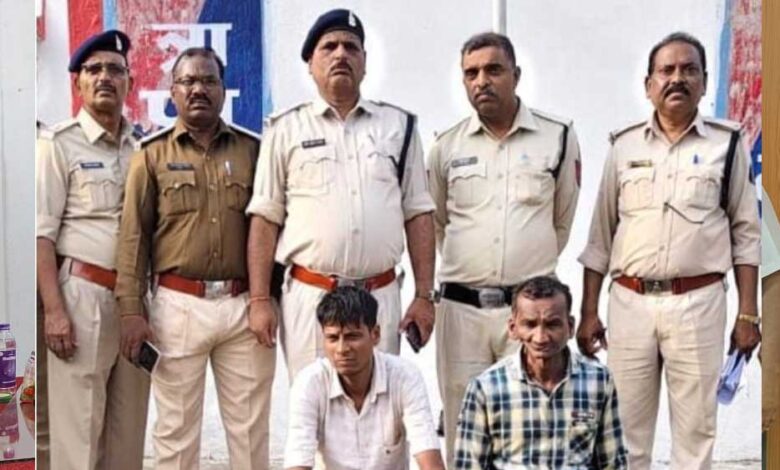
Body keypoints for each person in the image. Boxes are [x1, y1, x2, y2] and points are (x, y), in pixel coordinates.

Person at [577, 32, 761, 469]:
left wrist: (748, 314)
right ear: (649, 84)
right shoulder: (624, 146)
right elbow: (601, 235)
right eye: (667, 70)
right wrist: (587, 312)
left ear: (704, 81)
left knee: (695, 435)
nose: (677, 78)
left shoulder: (725, 145)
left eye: (689, 70)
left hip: (698, 303)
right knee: (623, 434)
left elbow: (746, 235)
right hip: (630, 303)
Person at [246, 8, 436, 381]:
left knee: (381, 405)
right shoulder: (285, 129)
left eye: (351, 47)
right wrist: (259, 300)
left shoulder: (399, 126)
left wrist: (424, 296)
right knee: (313, 404)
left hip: (378, 295)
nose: (340, 54)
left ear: (364, 62)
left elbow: (418, 213)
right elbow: (265, 218)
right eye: (329, 46)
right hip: (311, 295)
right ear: (310, 63)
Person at [114, 47, 275, 470]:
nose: (198, 89)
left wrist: (269, 298)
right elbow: (133, 238)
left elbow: (271, 227)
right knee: (176, 434)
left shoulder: (253, 151)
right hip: (178, 307)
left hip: (243, 308)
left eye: (208, 80)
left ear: (223, 89)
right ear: (173, 92)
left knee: (250, 434)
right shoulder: (151, 155)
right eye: (187, 81)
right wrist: (130, 310)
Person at [427, 31, 580, 465]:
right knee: (465, 429)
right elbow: (438, 224)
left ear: (516, 74)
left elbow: (561, 221)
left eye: (493, 70)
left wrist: (523, 275)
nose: (482, 81)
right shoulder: (446, 145)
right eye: (471, 73)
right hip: (461, 312)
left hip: (531, 315)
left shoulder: (557, 136)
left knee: (530, 428)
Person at [36, 30, 149, 470]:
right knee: (78, 438)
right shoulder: (58, 145)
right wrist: (54, 311)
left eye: (115, 70)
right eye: (94, 69)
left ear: (129, 83)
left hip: (135, 303)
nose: (105, 77)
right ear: (77, 82)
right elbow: (41, 235)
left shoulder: (144, 147)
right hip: (82, 299)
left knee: (127, 438)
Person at [454, 277, 627, 469]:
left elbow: (614, 463)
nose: (541, 337)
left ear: (570, 327)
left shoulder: (599, 381)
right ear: (513, 328)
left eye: (552, 324)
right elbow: (468, 466)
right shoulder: (485, 388)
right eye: (530, 324)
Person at [284, 286, 445, 470]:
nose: (342, 349)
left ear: (375, 335)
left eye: (352, 337)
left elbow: (428, 454)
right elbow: (298, 458)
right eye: (333, 338)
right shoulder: (309, 383)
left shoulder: (404, 377)